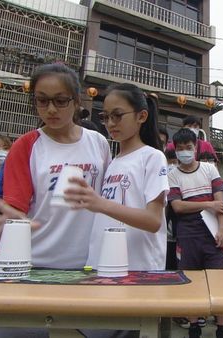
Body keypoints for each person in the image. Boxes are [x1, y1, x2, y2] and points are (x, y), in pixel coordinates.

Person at [1, 63, 111, 269]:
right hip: (37, 261)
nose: (51, 109)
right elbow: (16, 210)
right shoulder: (25, 146)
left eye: (60, 101)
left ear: (76, 101)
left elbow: (106, 202)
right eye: (42, 101)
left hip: (91, 261)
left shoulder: (98, 142)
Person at [63, 83, 169, 272]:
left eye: (118, 115)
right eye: (106, 117)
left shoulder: (152, 157)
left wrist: (100, 204)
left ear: (141, 116)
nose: (111, 123)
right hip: (103, 264)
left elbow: (153, 221)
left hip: (138, 267)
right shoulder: (113, 162)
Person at [167, 128, 223, 338]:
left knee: (219, 281)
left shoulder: (210, 169)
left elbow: (221, 205)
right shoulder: (172, 175)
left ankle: (222, 328)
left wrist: (222, 230)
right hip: (187, 235)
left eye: (189, 147)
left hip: (213, 235)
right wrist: (208, 204)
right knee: (190, 281)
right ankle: (194, 326)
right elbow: (177, 207)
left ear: (196, 148)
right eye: (180, 148)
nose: (185, 152)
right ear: (175, 150)